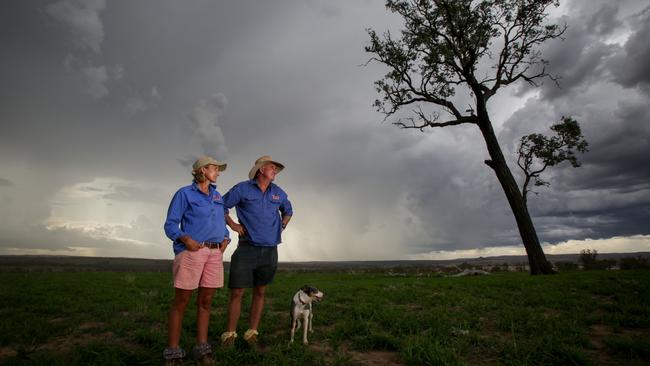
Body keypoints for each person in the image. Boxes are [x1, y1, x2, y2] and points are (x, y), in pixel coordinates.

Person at [163, 156, 230, 366]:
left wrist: (226, 237)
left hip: (214, 253)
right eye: (215, 168)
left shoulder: (217, 196)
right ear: (202, 170)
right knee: (181, 302)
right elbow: (170, 225)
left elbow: (220, 221)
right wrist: (186, 239)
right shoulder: (184, 194)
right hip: (193, 251)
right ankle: (173, 351)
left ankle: (202, 349)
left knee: (206, 302)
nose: (218, 172)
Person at [220, 155, 293, 348]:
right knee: (237, 292)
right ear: (261, 169)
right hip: (246, 249)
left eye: (276, 168)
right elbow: (221, 205)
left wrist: (283, 224)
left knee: (260, 291)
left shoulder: (278, 192)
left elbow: (288, 210)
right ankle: (229, 335)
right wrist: (233, 225)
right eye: (271, 167)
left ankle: (251, 333)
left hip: (270, 249)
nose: (275, 170)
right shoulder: (242, 188)